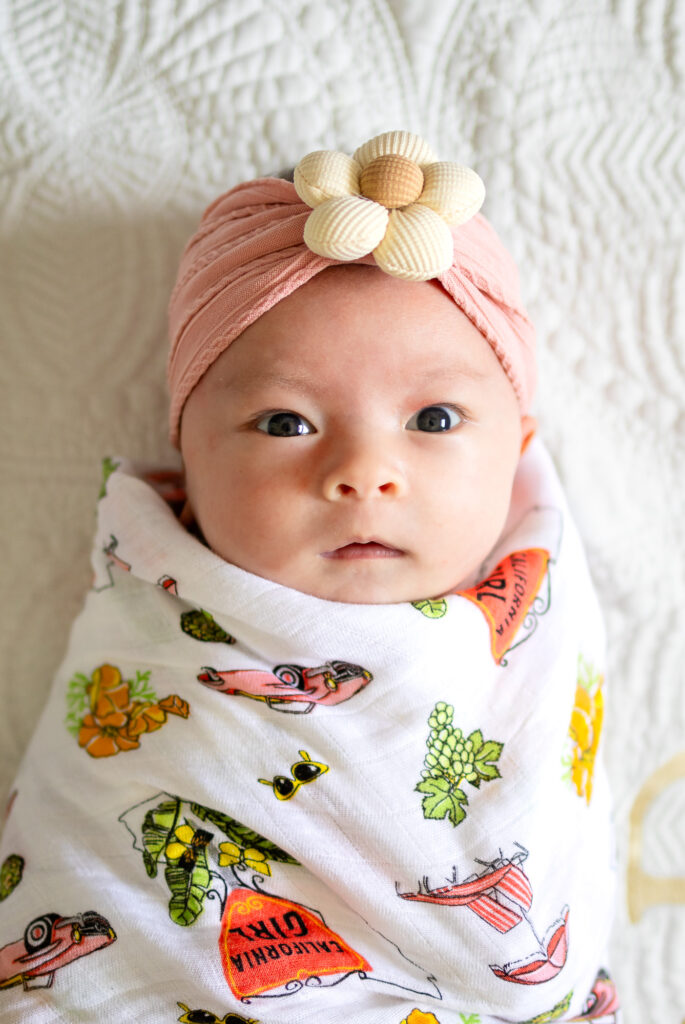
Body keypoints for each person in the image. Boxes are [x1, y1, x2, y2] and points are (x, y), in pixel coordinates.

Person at [0, 132, 619, 1023]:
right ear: (190, 452)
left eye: (434, 418)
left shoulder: (536, 619)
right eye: (285, 422)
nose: (364, 472)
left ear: (518, 450)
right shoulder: (148, 621)